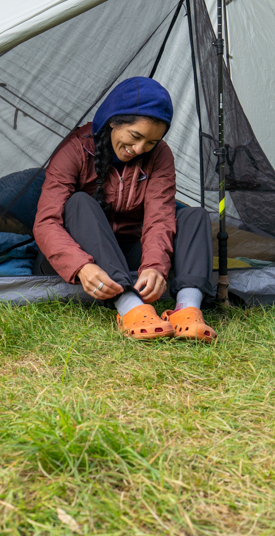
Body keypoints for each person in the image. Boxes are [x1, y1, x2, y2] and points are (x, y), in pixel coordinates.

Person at [33, 77, 217, 341]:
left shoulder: (160, 156)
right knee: (79, 202)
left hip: (127, 252)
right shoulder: (75, 149)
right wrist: (81, 266)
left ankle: (187, 310)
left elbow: (160, 218)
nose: (139, 149)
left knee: (194, 215)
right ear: (113, 120)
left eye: (151, 142)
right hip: (77, 259)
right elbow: (45, 222)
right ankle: (130, 308)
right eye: (135, 136)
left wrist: (155, 267)